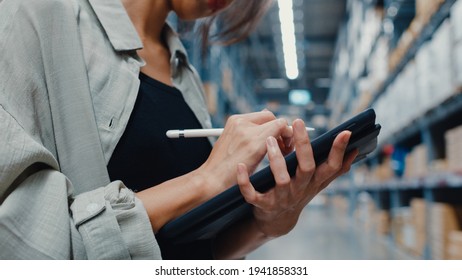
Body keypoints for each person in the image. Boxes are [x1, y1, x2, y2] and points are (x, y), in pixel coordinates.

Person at [0, 0, 358, 260]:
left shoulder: (184, 72)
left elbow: (192, 249)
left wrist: (267, 222)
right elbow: (18, 243)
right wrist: (203, 181)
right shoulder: (36, 15)